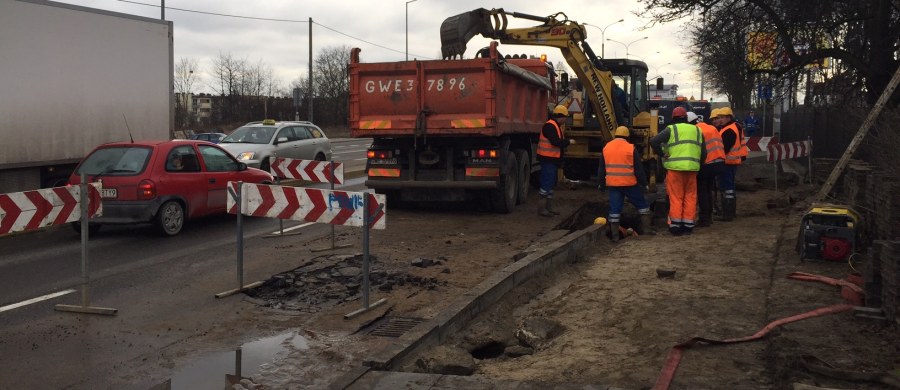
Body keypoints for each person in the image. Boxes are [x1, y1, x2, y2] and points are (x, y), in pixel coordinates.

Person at [650, 106, 705, 236]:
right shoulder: (698, 130)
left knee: (676, 197)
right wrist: (698, 165)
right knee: (690, 197)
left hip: (675, 169)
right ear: (686, 118)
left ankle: (675, 225)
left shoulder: (671, 129)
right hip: (692, 169)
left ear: (673, 118)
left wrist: (662, 154)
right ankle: (688, 225)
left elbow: (654, 141)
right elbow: (704, 153)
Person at [599, 126, 654, 241]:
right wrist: (644, 184)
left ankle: (615, 237)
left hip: (614, 185)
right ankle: (647, 231)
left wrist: (602, 184)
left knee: (614, 212)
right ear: (627, 136)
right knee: (642, 207)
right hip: (630, 184)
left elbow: (601, 169)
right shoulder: (630, 148)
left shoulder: (606, 148)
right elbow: (638, 169)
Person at [537, 104, 576, 217]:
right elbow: (555, 142)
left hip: (552, 160)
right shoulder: (550, 126)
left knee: (550, 184)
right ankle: (542, 209)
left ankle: (548, 208)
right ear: (561, 116)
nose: (566, 120)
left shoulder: (555, 125)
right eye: (565, 117)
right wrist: (568, 142)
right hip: (548, 160)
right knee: (546, 183)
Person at [692, 110, 726, 227]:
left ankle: (704, 219)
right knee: (708, 190)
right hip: (719, 162)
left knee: (702, 191)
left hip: (707, 164)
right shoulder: (711, 128)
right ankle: (709, 216)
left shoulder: (696, 130)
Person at [716, 106, 748, 221]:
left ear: (729, 117)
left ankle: (728, 214)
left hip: (728, 162)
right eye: (719, 117)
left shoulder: (729, 130)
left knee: (727, 188)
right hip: (731, 162)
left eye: (722, 117)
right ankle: (729, 212)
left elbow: (724, 148)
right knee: (729, 187)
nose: (720, 120)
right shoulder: (732, 127)